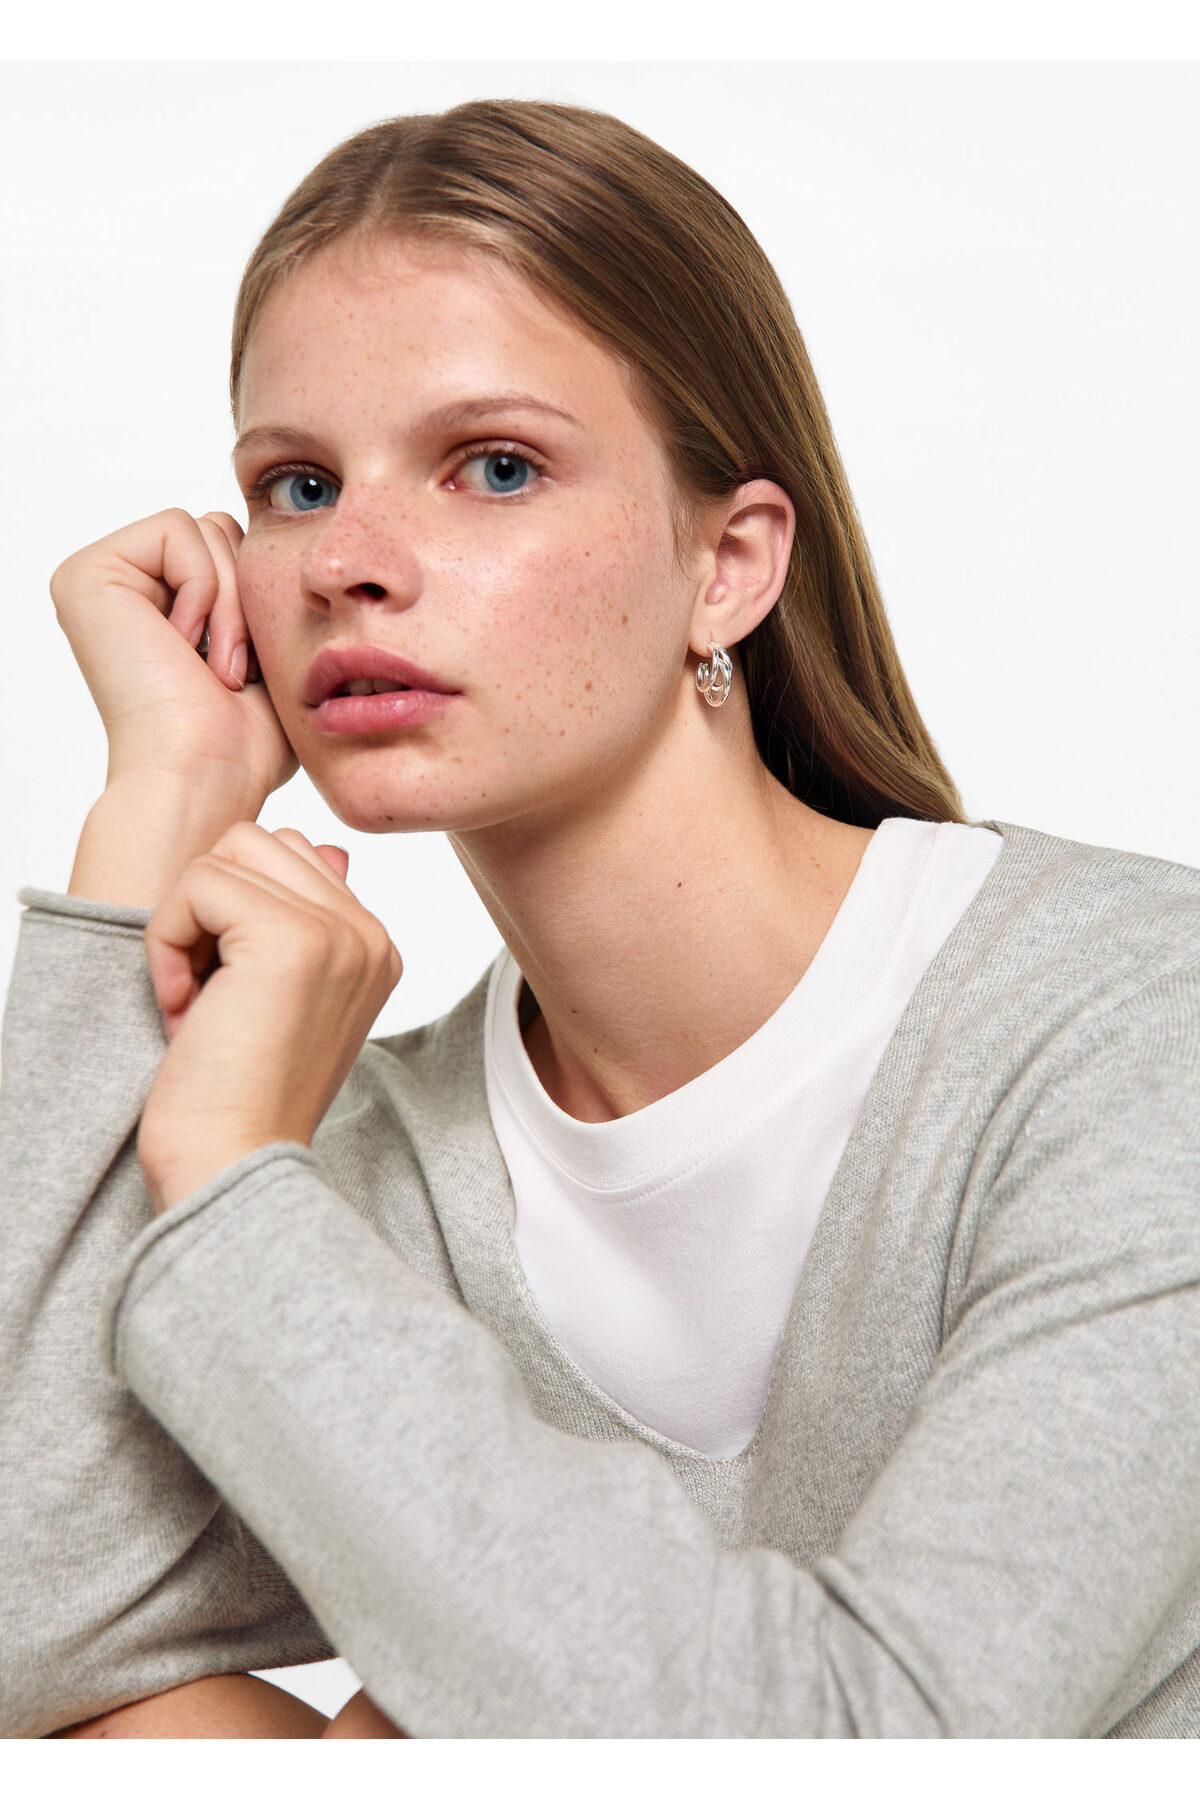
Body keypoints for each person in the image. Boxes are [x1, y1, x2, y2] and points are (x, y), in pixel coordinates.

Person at [2, 98, 1197, 1741]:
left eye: (494, 467)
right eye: (296, 485)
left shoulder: (1141, 1025)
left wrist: (228, 1182)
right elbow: (31, 1618)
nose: (346, 560)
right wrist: (161, 806)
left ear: (730, 566)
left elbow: (875, 1744)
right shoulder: (350, 1154)